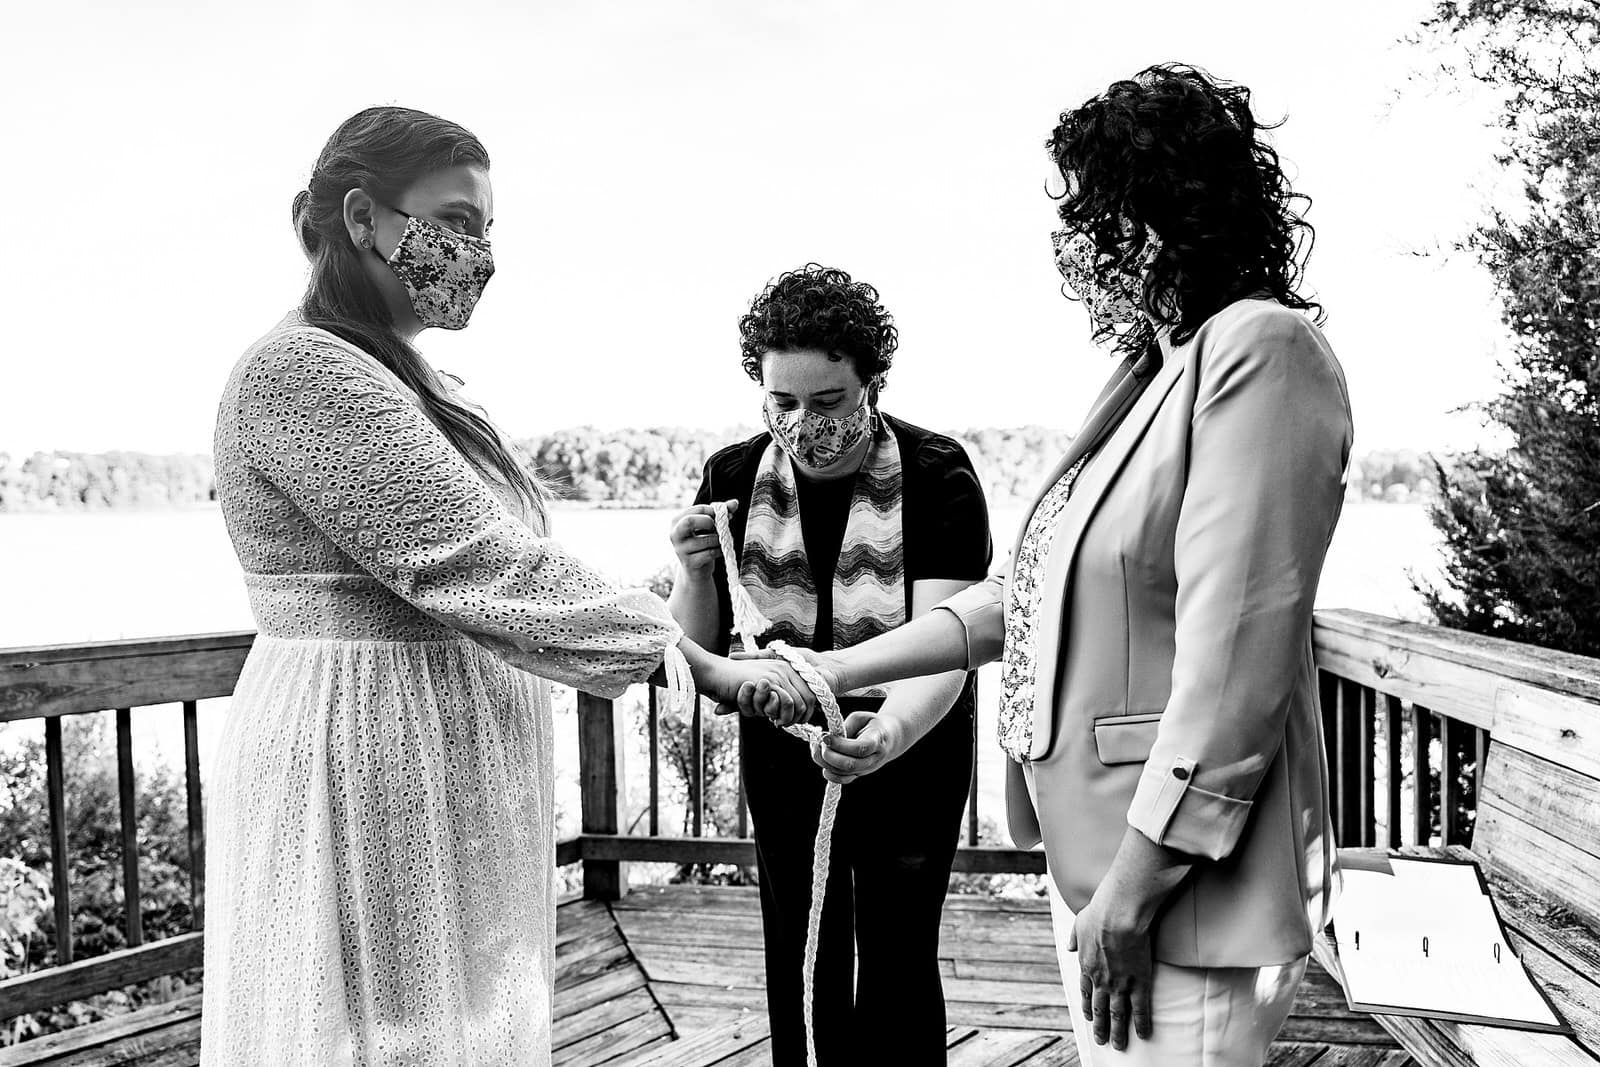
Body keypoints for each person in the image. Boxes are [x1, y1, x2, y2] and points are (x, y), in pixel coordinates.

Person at [733, 65, 1353, 1067]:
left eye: (1098, 211)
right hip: (1096, 866)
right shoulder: (1153, 368)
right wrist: (830, 672)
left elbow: (1239, 651)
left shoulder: (1261, 351)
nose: (1082, 242)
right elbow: (1020, 595)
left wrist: (1138, 883)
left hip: (1173, 885)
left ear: (1166, 212)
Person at [205, 105, 806, 1066]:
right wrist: (704, 668)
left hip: (439, 748)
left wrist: (679, 581)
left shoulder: (418, 380)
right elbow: (477, 566)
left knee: (456, 1028)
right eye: (457, 221)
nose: (479, 253)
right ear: (364, 218)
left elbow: (520, 562)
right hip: (366, 749)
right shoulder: (301, 371)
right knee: (376, 1033)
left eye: (487, 229)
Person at [667, 265, 992, 1065]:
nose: (802, 423)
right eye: (782, 402)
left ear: (872, 383)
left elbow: (947, 647)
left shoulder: (938, 474)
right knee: (799, 946)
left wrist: (886, 735)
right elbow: (701, 649)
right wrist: (694, 571)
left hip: (913, 738)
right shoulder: (733, 478)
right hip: (783, 748)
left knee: (899, 945)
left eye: (827, 401)